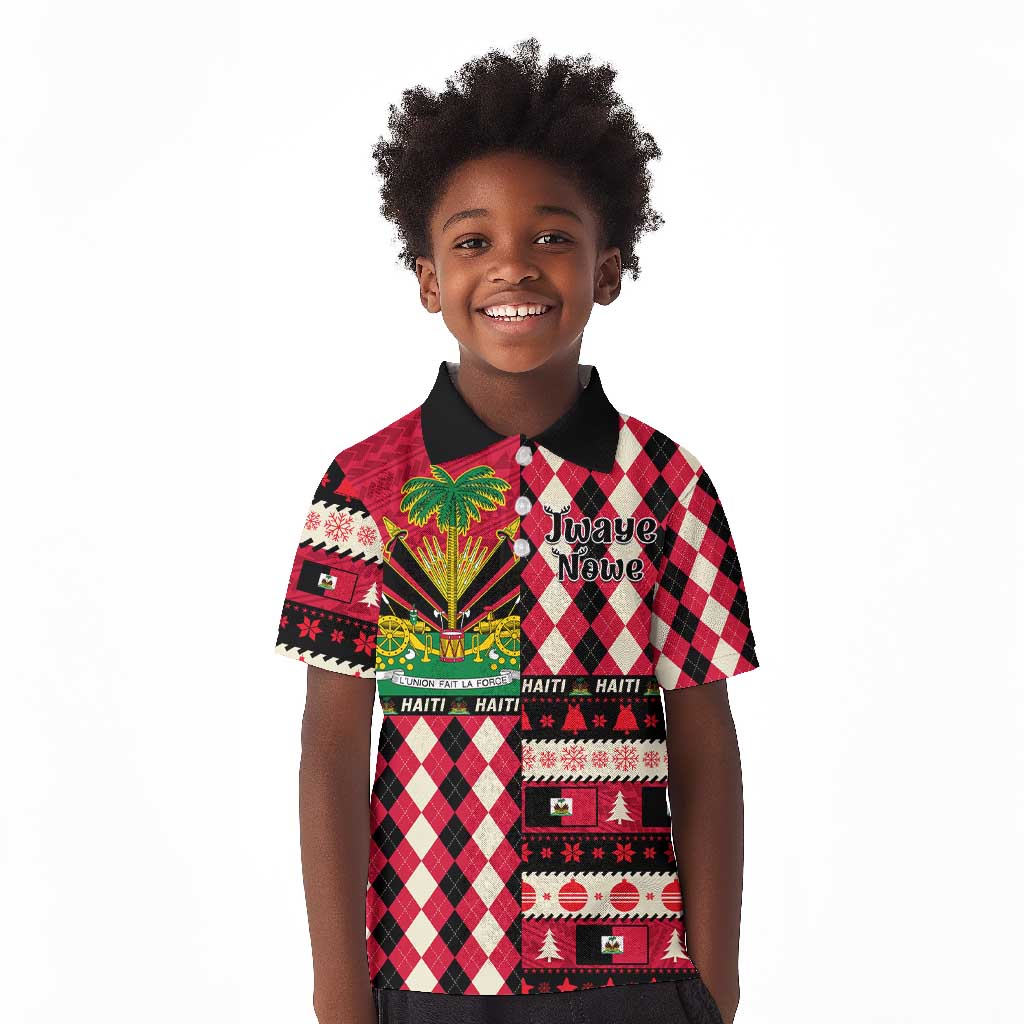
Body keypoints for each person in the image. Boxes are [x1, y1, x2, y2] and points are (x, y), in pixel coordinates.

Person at [273, 37, 759, 1024]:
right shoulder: (365, 488)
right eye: (471, 242)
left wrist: (714, 979)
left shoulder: (668, 486)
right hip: (423, 973)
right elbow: (331, 747)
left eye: (549, 236)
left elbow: (703, 738)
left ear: (607, 269)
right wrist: (338, 992)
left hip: (636, 976)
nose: (511, 265)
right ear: (426, 279)